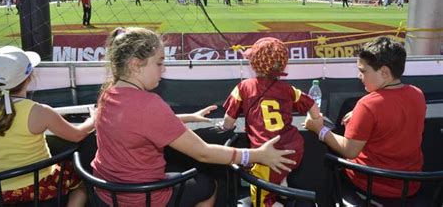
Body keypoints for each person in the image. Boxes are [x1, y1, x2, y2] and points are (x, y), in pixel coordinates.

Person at [91, 27, 297, 207]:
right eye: (159, 63)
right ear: (136, 65)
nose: (163, 69)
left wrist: (189, 117)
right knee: (207, 185)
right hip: (142, 198)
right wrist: (256, 155)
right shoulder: (150, 104)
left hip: (106, 194)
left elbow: (138, 124)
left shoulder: (108, 93)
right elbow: (204, 153)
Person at [0, 46, 96, 206]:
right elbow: (77, 134)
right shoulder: (39, 111)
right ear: (29, 76)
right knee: (82, 186)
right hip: (40, 186)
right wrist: (93, 119)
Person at [304, 36, 426, 199]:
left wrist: (319, 129)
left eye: (363, 71)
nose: (359, 76)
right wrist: (361, 113)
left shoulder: (368, 105)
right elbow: (393, 111)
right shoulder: (417, 94)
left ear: (384, 72)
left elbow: (349, 150)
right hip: (411, 186)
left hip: (369, 185)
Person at [219, 37, 320, 206]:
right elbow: (311, 104)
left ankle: (276, 199)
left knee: (260, 199)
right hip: (294, 148)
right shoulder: (288, 89)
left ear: (254, 63)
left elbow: (228, 122)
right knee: (277, 175)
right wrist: (315, 120)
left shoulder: (243, 87)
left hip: (268, 154)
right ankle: (282, 182)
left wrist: (224, 127)